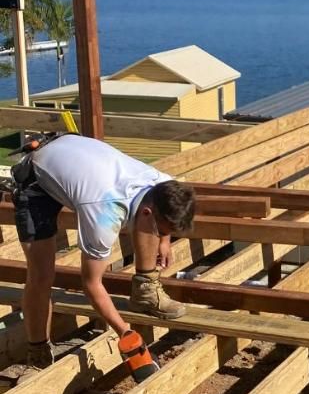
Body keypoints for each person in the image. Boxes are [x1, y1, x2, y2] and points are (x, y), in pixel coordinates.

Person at [11, 133, 196, 377]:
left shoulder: (164, 184)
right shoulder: (103, 214)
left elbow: (152, 217)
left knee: (148, 227)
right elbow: (90, 283)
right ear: (149, 211)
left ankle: (145, 291)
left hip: (77, 158)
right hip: (37, 178)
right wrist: (124, 331)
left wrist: (165, 240)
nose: (163, 236)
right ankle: (38, 352)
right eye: (163, 230)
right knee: (42, 274)